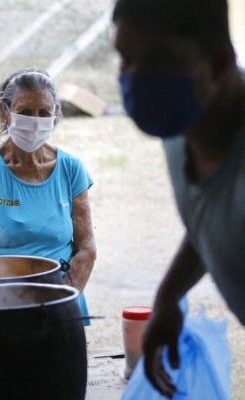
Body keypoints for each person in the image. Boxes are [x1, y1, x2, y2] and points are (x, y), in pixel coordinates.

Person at [112, 0, 245, 397]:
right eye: (125, 57)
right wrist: (169, 296)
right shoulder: (183, 126)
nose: (136, 77)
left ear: (219, 63)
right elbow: (213, 218)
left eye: (160, 60)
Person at [0, 67, 97, 324]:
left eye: (44, 113)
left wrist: (60, 300)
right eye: (24, 112)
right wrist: (14, 308)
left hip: (63, 305)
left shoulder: (70, 169)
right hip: (3, 309)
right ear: (5, 112)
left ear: (55, 113)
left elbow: (87, 248)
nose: (35, 121)